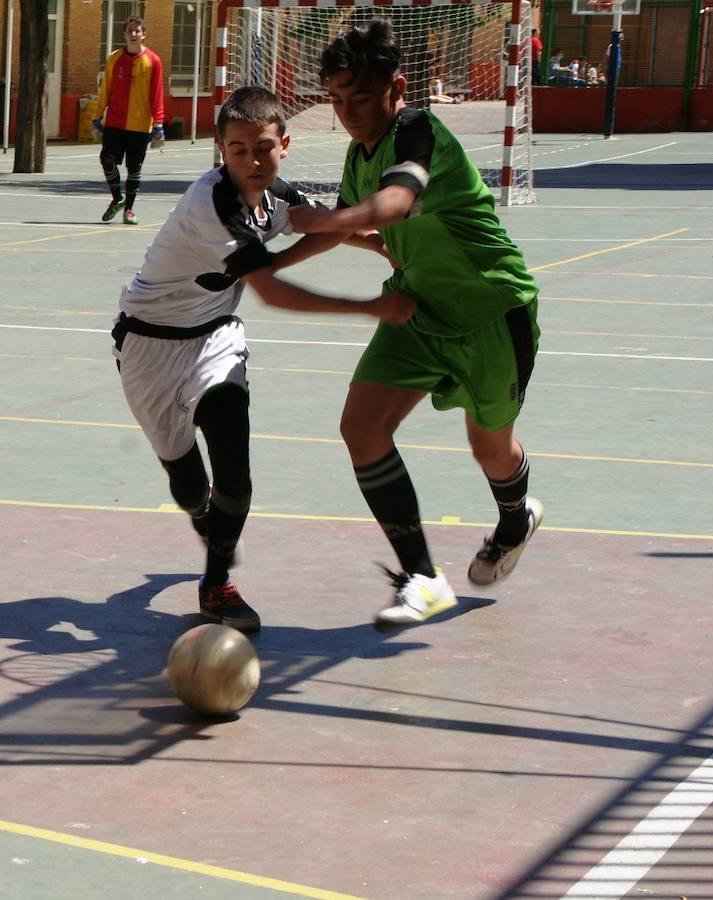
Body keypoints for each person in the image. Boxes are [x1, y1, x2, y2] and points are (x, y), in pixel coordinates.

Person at [111, 85, 414, 632]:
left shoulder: (273, 193)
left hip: (215, 340)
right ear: (220, 152)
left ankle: (216, 585)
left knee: (236, 473)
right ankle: (205, 515)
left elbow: (316, 218)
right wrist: (373, 306)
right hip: (147, 346)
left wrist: (373, 240)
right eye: (239, 150)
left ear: (285, 144)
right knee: (187, 484)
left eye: (265, 147)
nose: (254, 160)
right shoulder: (213, 205)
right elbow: (272, 291)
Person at [284, 18, 543, 627]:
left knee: (491, 449)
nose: (349, 113)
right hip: (414, 309)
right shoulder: (359, 152)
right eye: (338, 100)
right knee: (361, 427)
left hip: (490, 310)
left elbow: (395, 202)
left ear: (397, 90)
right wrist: (257, 264)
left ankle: (515, 518)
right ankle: (423, 578)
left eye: (363, 99)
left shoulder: (417, 131)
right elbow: (352, 223)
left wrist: (321, 222)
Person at [93, 16, 165, 225]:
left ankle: (129, 211)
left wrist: (159, 123)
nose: (134, 34)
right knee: (106, 159)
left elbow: (157, 94)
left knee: (134, 169)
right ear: (124, 34)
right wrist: (97, 115)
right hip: (114, 122)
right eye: (130, 31)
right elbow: (105, 88)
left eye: (138, 31)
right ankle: (117, 199)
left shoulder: (153, 61)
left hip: (140, 125)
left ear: (144, 34)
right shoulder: (114, 58)